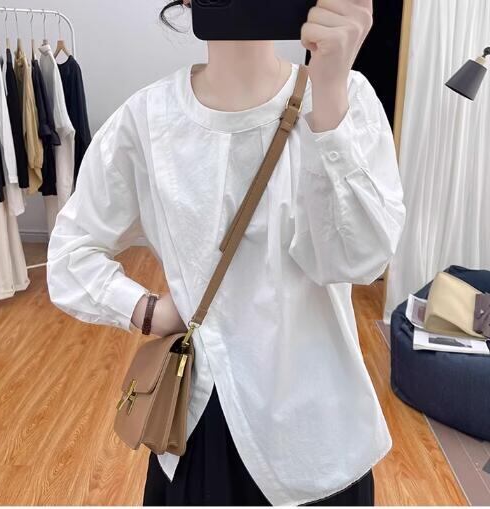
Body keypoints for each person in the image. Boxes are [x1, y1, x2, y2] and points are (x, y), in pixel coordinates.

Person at [46, 0, 406, 505]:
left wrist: (328, 90)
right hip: (199, 420)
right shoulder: (149, 119)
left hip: (318, 428)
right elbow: (69, 253)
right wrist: (149, 311)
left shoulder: (347, 99)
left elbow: (358, 261)